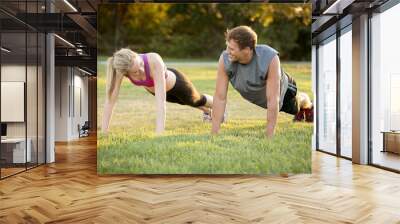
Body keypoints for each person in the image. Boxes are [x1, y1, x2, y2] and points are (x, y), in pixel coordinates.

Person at [211, 26, 313, 138]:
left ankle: (308, 103)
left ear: (247, 49)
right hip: (262, 97)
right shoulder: (225, 59)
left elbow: (273, 99)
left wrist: (269, 137)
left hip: (285, 91)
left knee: (296, 106)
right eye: (227, 47)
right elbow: (220, 97)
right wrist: (214, 134)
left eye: (232, 49)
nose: (227, 51)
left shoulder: (269, 57)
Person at [102, 48, 214, 134]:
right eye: (135, 72)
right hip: (156, 91)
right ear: (126, 73)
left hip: (178, 84)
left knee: (196, 100)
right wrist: (104, 131)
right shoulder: (120, 70)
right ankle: (209, 112)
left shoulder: (154, 60)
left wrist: (159, 133)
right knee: (184, 102)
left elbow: (160, 102)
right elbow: (110, 101)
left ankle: (219, 105)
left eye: (141, 64)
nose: (141, 70)